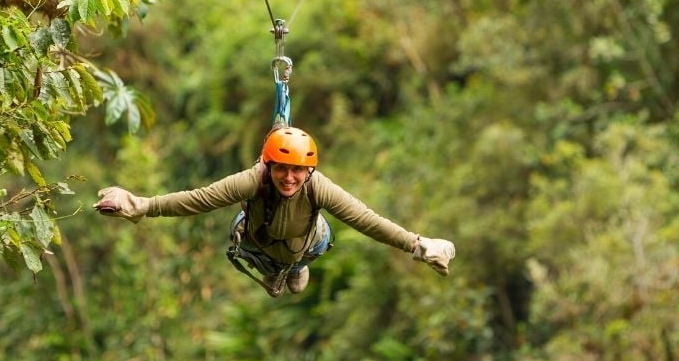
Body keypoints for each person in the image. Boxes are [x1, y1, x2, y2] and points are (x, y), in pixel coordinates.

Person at [94, 126, 455, 297]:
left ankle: (295, 269)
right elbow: (200, 198)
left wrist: (418, 245)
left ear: (309, 170)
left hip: (306, 243)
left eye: (297, 170)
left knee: (298, 278)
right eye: (281, 168)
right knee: (240, 228)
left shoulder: (318, 187)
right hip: (259, 243)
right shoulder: (254, 180)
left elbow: (366, 219)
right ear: (268, 165)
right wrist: (141, 205)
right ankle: (276, 270)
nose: (289, 177)